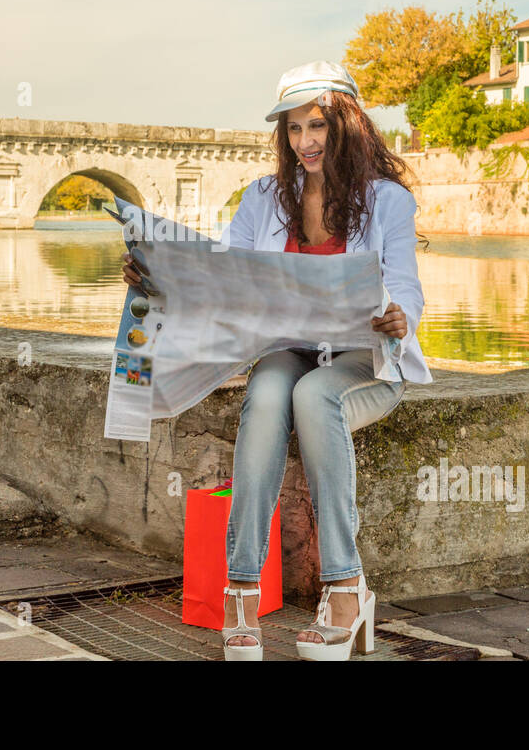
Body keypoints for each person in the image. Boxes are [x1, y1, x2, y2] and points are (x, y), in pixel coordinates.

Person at [122, 60, 432, 661]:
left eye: (316, 126)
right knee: (268, 394)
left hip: (363, 360)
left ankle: (346, 588)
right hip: (286, 349)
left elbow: (405, 284)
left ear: (348, 126)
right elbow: (226, 279)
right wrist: (158, 276)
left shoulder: (388, 200)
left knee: (314, 395)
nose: (305, 142)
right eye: (293, 130)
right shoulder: (264, 198)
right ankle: (240, 587)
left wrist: (399, 316)